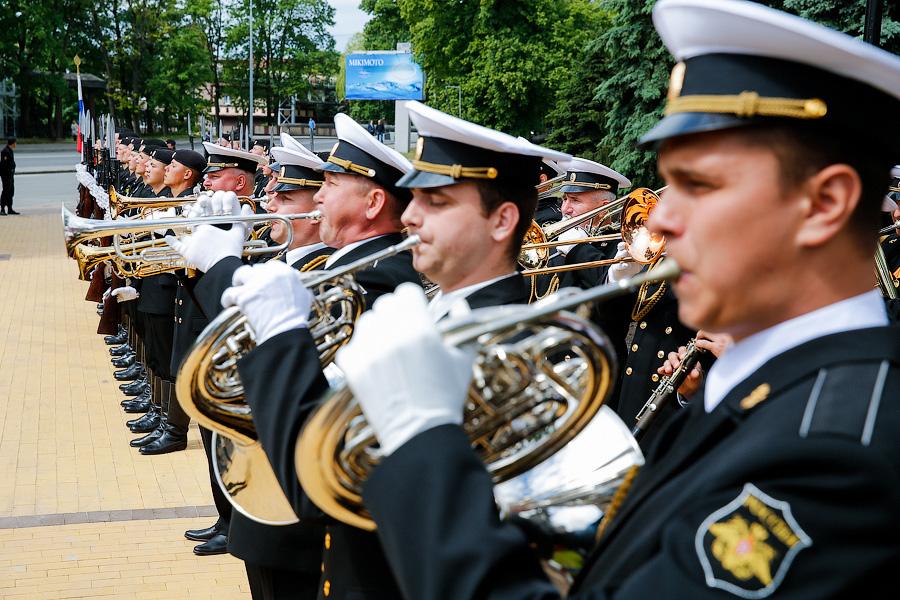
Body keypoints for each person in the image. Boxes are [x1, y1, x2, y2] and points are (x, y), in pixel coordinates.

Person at [329, 1, 900, 597]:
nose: (664, 220)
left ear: (825, 203)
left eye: (699, 185)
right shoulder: (775, 389)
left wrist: (421, 443)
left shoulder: (838, 449)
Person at [207, 112, 420, 599]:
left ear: (372, 203)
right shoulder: (352, 268)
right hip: (279, 497)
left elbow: (309, 387)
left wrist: (220, 269)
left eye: (330, 184)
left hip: (297, 514)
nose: (318, 197)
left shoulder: (376, 276)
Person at [1, 137, 18, 215]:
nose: (16, 144)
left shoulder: (10, 150)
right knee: (5, 191)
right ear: (13, 143)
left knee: (11, 191)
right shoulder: (5, 151)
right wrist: (9, 170)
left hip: (10, 175)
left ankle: (10, 209)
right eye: (15, 143)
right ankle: (2, 209)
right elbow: (4, 164)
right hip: (6, 175)